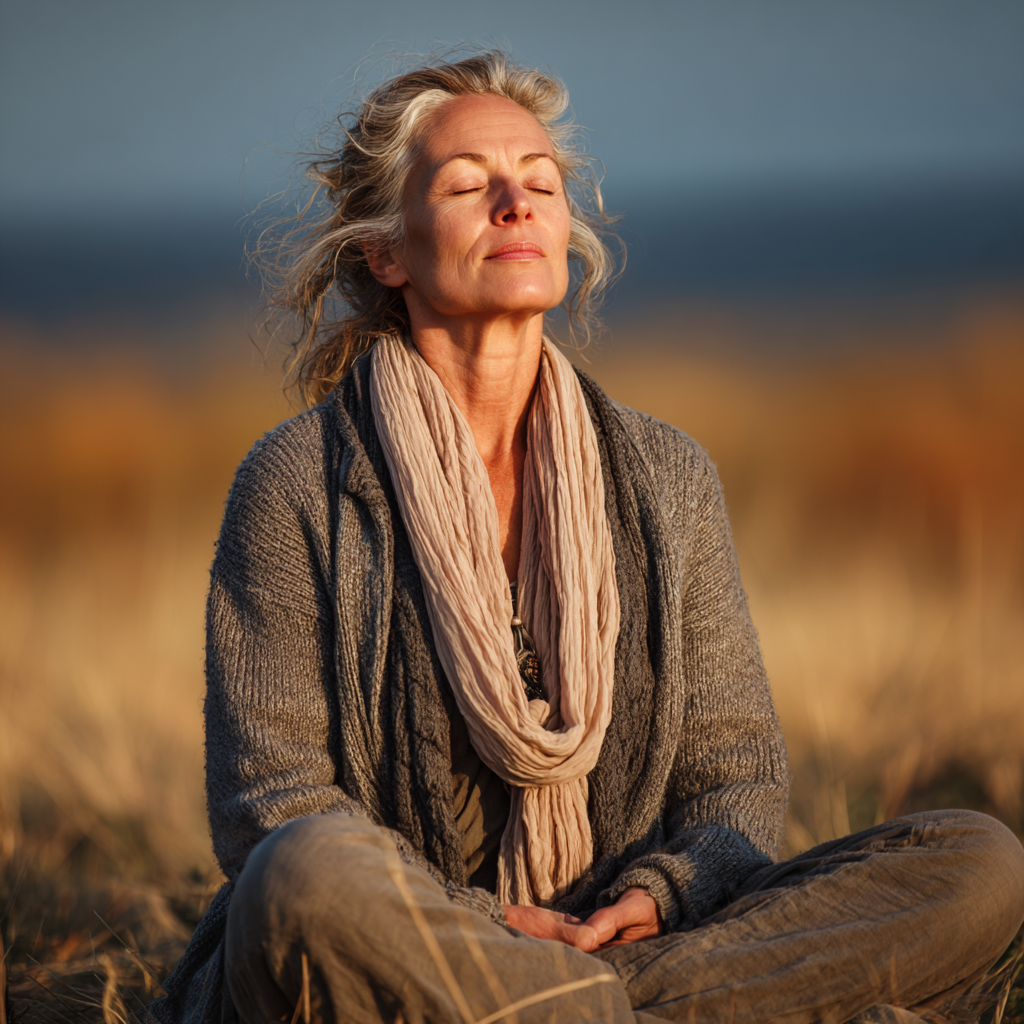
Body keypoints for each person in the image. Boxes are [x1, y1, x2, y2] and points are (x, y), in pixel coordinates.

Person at [150, 51, 1024, 1024]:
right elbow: (269, 807)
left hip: (635, 946)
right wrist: (486, 923)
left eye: (538, 181)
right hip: (406, 942)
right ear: (385, 252)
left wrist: (661, 894)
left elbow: (733, 780)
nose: (516, 205)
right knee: (303, 876)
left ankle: (572, 1007)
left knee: (976, 863)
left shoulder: (666, 475)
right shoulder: (296, 484)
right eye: (468, 185)